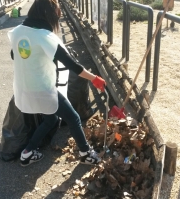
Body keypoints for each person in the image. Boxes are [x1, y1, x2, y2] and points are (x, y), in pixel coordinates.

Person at [7, 0, 106, 167]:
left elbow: (13, 55)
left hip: (23, 88)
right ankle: (85, 153)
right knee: (73, 118)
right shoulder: (44, 37)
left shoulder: (18, 32)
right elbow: (72, 65)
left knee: (51, 119)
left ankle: (27, 152)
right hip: (42, 89)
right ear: (48, 15)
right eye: (56, 17)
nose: (56, 21)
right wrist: (94, 78)